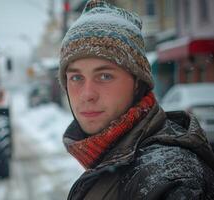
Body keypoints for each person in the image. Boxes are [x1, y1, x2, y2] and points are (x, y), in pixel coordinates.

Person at [58, 0, 214, 199]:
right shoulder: (111, 161)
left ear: (138, 83)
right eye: (76, 78)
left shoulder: (169, 179)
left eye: (105, 76)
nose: (87, 94)